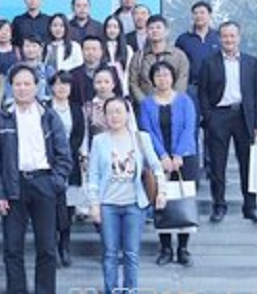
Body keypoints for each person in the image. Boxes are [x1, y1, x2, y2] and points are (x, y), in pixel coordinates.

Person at [0, 64, 72, 294]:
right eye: (18, 84)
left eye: (27, 84)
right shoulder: (1, 119)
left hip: (45, 183)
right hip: (13, 187)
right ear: (11, 87)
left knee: (47, 247)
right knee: (12, 248)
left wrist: (56, 182)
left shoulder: (49, 117)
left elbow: (64, 155)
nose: (22, 88)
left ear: (36, 86)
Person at [88, 96, 167, 294]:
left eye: (119, 111)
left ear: (127, 114)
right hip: (108, 204)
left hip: (134, 204)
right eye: (110, 112)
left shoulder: (141, 138)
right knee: (110, 253)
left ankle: (131, 290)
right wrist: (94, 204)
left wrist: (162, 191)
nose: (114, 116)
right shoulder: (99, 141)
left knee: (131, 253)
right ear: (104, 116)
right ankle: (111, 290)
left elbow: (156, 167)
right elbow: (93, 175)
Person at [199, 21, 257, 223]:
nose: (229, 40)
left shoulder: (251, 62)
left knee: (248, 164)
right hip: (218, 116)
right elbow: (202, 92)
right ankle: (219, 206)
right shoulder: (209, 62)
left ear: (239, 37)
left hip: (244, 116)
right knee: (217, 165)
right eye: (225, 36)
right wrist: (208, 117)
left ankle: (250, 207)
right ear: (219, 38)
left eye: (232, 36)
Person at [138, 61, 198, 266]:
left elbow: (189, 128)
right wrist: (162, 156)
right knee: (161, 200)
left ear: (172, 78)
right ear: (152, 80)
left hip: (185, 158)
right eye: (158, 75)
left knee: (183, 200)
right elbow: (147, 131)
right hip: (158, 159)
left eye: (166, 75)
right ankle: (165, 248)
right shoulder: (146, 104)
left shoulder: (185, 100)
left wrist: (178, 154)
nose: (162, 79)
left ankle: (183, 248)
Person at [175, 0, 221, 175]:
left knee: (213, 129)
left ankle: (212, 168)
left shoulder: (217, 37)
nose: (199, 16)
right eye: (195, 13)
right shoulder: (183, 39)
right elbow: (178, 64)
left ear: (209, 15)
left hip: (214, 89)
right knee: (190, 129)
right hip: (191, 88)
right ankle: (192, 170)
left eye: (202, 12)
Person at [47, 71, 87, 268]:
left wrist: (69, 153)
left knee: (68, 209)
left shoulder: (77, 109)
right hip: (48, 163)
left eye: (66, 84)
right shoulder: (44, 108)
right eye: (58, 83)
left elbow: (80, 135)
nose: (62, 87)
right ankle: (52, 247)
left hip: (70, 162)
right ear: (51, 87)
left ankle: (65, 246)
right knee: (50, 208)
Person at [129, 14, 190, 106]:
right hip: (146, 106)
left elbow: (182, 80)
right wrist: (145, 102)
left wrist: (172, 102)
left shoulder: (179, 56)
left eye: (158, 27)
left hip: (173, 106)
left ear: (166, 31)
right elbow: (133, 83)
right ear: (146, 32)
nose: (155, 31)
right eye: (151, 28)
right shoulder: (138, 56)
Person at [3, 36, 55, 105]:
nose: (31, 49)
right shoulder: (14, 70)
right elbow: (9, 96)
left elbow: (53, 94)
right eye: (27, 46)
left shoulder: (48, 70)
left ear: (41, 49)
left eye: (34, 46)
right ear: (22, 48)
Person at [85, 66, 123, 143]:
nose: (102, 86)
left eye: (107, 82)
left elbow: (132, 127)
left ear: (113, 84)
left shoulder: (123, 104)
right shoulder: (88, 107)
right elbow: (85, 133)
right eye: (98, 82)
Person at [103, 15, 134, 97]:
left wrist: (125, 91)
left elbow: (128, 71)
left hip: (122, 89)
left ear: (120, 30)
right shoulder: (99, 47)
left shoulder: (127, 49)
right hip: (103, 89)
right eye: (109, 27)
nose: (112, 30)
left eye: (115, 27)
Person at [70, 35, 106, 106]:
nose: (90, 52)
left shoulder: (111, 72)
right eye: (87, 49)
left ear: (101, 52)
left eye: (94, 49)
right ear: (82, 51)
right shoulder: (73, 74)